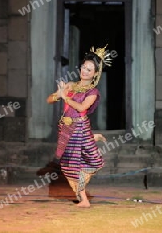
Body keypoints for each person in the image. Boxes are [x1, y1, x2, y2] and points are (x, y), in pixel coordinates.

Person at [45, 45, 112, 208]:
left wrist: (65, 98)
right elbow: (50, 100)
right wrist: (58, 94)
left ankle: (84, 199)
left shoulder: (93, 92)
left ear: (95, 73)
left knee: (79, 162)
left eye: (90, 70)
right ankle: (83, 199)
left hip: (79, 128)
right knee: (68, 163)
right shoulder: (70, 85)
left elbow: (82, 108)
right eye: (84, 67)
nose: (85, 71)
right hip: (66, 128)